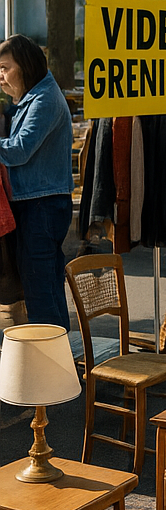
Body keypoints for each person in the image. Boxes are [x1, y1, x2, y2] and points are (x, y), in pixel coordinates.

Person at [0, 35, 73, 329]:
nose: (1, 75)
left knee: (40, 290)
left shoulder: (44, 98)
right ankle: (61, 361)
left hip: (41, 205)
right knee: (45, 286)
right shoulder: (33, 97)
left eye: (5, 67)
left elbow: (19, 150)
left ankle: (52, 369)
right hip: (38, 203)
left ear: (26, 66)